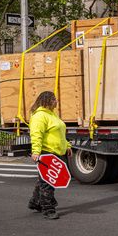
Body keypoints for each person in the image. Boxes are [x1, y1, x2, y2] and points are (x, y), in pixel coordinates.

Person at [28, 91, 72, 220]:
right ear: (47, 100)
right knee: (49, 181)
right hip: (48, 153)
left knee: (44, 179)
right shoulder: (40, 116)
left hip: (57, 152)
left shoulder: (52, 115)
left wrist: (67, 146)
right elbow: (36, 134)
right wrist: (36, 151)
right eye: (54, 99)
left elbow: (60, 134)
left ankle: (35, 202)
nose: (56, 101)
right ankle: (48, 209)